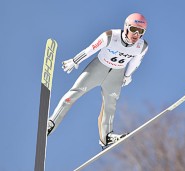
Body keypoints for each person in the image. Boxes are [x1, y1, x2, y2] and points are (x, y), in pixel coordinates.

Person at [47, 13, 148, 148]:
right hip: (98, 68)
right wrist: (74, 61)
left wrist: (127, 75)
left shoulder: (142, 46)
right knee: (75, 93)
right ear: (126, 27)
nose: (136, 34)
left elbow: (135, 62)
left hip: (116, 75)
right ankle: (52, 122)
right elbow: (90, 49)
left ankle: (106, 137)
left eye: (140, 31)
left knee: (110, 105)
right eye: (134, 29)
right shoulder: (110, 36)